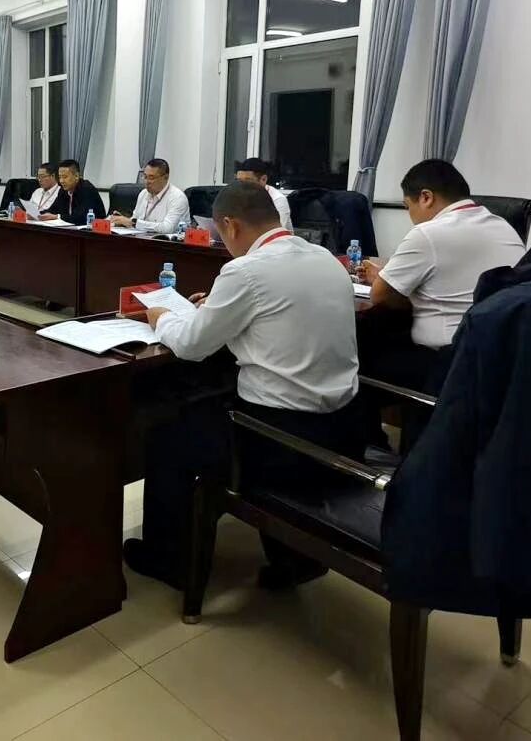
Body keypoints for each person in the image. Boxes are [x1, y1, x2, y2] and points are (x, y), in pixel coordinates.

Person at [123, 181, 365, 590]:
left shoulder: (245, 270)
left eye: (221, 236)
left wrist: (161, 317)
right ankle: (292, 558)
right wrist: (216, 308)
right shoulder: (326, 258)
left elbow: (192, 346)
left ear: (231, 225)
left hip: (277, 438)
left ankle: (170, 561)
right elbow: (281, 320)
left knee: (166, 437)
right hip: (344, 427)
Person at [359, 159, 525, 393]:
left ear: (426, 197)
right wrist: (387, 277)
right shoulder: (504, 227)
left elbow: (379, 296)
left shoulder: (428, 233)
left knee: (358, 353)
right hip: (504, 360)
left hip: (449, 365)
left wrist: (385, 283)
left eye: (408, 207)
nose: (410, 216)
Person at [110, 158, 191, 233]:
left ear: (165, 177)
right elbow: (135, 220)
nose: (147, 181)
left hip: (166, 242)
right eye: (145, 177)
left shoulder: (177, 198)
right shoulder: (143, 194)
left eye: (151, 178)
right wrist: (122, 221)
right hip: (142, 239)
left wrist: (133, 223)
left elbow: (168, 228)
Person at [234, 158, 292, 231]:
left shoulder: (278, 200)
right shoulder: (237, 196)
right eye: (239, 181)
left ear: (263, 179)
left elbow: (274, 232)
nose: (242, 185)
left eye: (247, 181)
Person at [43, 158, 105, 224]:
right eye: (60, 177)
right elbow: (52, 210)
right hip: (70, 228)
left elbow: (81, 218)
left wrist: (57, 216)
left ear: (76, 176)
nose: (61, 181)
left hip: (93, 229)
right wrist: (39, 215)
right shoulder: (63, 191)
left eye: (65, 177)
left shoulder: (87, 189)